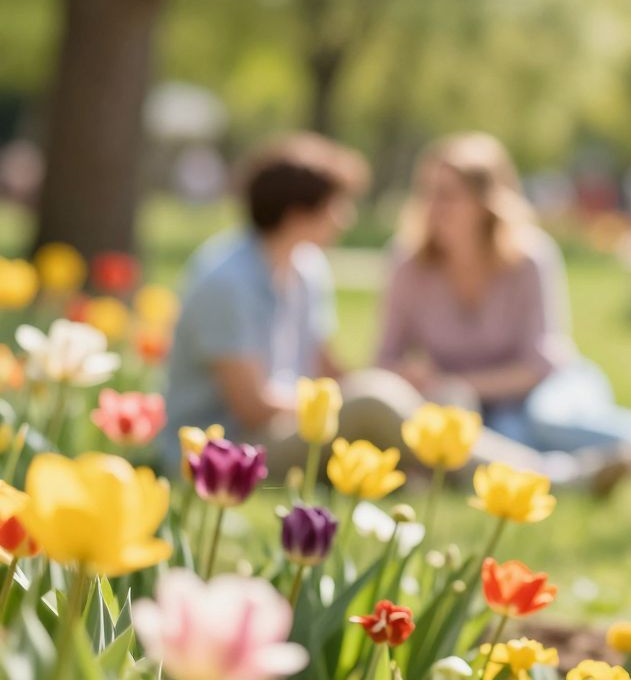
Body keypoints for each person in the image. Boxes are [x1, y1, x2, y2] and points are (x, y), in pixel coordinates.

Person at [160, 132, 602, 490]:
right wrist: (361, 399)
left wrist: (392, 392)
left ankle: (498, 474)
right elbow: (253, 407)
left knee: (393, 400)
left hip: (285, 430)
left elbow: (324, 367)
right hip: (228, 453)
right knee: (374, 401)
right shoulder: (226, 282)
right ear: (298, 212)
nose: (346, 219)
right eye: (337, 205)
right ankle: (546, 479)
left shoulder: (304, 268)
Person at [376, 132, 631, 490]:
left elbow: (538, 365)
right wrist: (413, 378)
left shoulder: (529, 258)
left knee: (550, 420)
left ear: (484, 201)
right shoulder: (408, 265)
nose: (434, 206)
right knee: (512, 439)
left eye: (448, 194)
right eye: (428, 192)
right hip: (487, 409)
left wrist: (456, 382)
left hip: (554, 384)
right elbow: (385, 359)